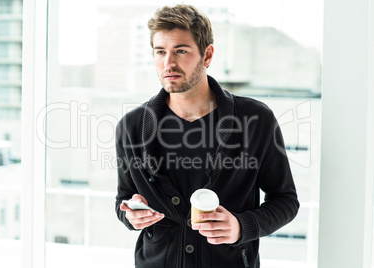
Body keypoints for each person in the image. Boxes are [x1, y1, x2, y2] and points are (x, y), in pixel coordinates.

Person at [115, 4, 299, 268]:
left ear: (207, 55)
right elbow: (123, 199)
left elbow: (286, 201)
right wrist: (131, 214)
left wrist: (241, 226)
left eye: (181, 51)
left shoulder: (256, 119)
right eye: (160, 52)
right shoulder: (130, 126)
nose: (169, 63)